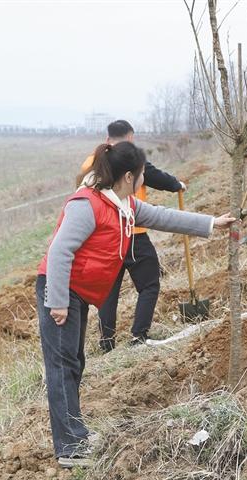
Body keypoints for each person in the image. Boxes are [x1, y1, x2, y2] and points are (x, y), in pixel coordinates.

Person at [37, 141, 236, 468]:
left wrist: (211, 223)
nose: (145, 179)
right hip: (59, 289)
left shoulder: (123, 204)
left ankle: (77, 434)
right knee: (61, 366)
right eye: (143, 174)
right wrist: (56, 302)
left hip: (78, 291)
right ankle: (70, 446)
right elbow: (60, 252)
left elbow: (162, 217)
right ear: (129, 175)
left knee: (73, 362)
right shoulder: (87, 205)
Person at [78, 120, 186, 352]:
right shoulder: (131, 160)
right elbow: (155, 177)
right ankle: (139, 336)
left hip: (104, 237)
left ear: (107, 139)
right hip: (132, 232)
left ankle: (107, 342)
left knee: (109, 289)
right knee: (149, 284)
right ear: (131, 138)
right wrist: (176, 184)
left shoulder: (91, 162)